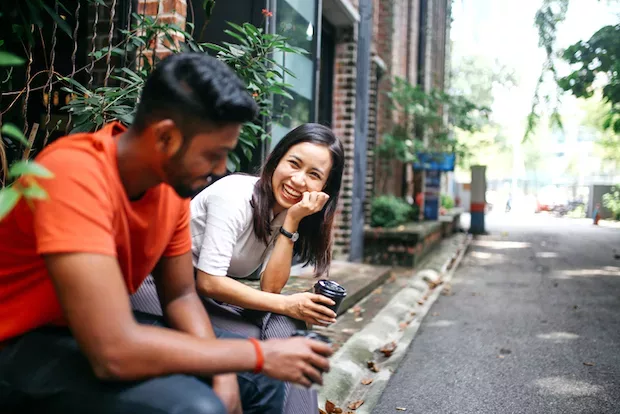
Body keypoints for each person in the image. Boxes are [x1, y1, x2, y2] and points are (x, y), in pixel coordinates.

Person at [0, 53, 333, 414]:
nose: (221, 168)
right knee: (195, 406)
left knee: (261, 380)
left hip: (83, 333)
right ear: (166, 137)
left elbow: (181, 297)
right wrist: (255, 354)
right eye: (213, 154)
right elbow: (112, 352)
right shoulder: (74, 175)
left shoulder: (170, 191)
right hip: (20, 342)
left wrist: (226, 370)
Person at [132, 123, 345, 413]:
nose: (298, 180)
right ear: (277, 159)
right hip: (159, 291)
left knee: (289, 329)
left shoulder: (286, 211)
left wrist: (292, 222)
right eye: (294, 164)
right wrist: (289, 304)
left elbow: (271, 288)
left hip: (198, 297)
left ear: (324, 189)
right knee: (277, 335)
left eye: (314, 175)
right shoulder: (234, 194)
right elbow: (210, 282)